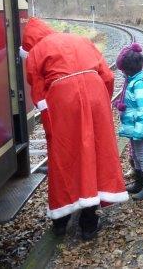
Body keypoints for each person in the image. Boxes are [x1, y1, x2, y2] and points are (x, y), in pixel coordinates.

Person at [22, 17, 128, 240]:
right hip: (95, 91)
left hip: (63, 97)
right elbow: (107, 76)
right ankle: (88, 222)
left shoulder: (36, 51)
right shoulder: (79, 39)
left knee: (63, 156)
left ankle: (60, 221)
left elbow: (38, 93)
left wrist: (49, 119)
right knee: (96, 153)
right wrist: (100, 105)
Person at [115, 43, 143, 200]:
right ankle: (139, 183)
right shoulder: (134, 79)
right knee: (137, 155)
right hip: (135, 126)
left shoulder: (139, 84)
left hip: (140, 127)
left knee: (142, 155)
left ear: (128, 69)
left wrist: (140, 131)